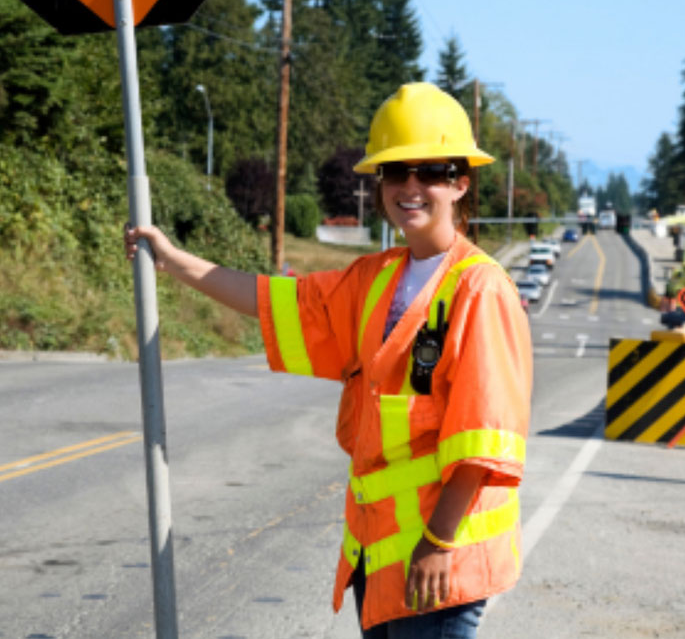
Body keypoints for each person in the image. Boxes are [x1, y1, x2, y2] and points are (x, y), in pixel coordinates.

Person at [125, 81, 533, 638]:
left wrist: (439, 542)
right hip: (379, 557)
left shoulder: (480, 290)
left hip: (440, 565)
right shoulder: (374, 279)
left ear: (461, 182)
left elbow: (483, 440)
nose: (411, 187)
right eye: (395, 171)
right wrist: (175, 262)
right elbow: (273, 302)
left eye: (431, 171)